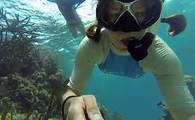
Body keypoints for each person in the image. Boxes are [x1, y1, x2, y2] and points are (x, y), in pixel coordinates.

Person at [61, 0, 195, 120]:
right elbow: (72, 91)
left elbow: (187, 113)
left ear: (153, 14)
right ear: (102, 15)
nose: (127, 28)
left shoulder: (160, 56)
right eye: (113, 12)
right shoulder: (93, 46)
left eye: (141, 13)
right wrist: (71, 103)